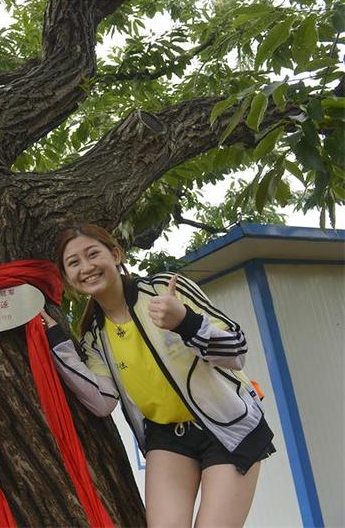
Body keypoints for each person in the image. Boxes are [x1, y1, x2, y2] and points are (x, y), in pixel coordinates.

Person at [42, 224, 274, 527]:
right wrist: (57, 342)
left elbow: (237, 351)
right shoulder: (94, 338)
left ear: (115, 254)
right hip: (167, 437)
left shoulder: (164, 288)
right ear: (67, 277)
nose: (86, 267)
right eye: (74, 263)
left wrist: (186, 322)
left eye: (93, 254)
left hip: (226, 425)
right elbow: (102, 402)